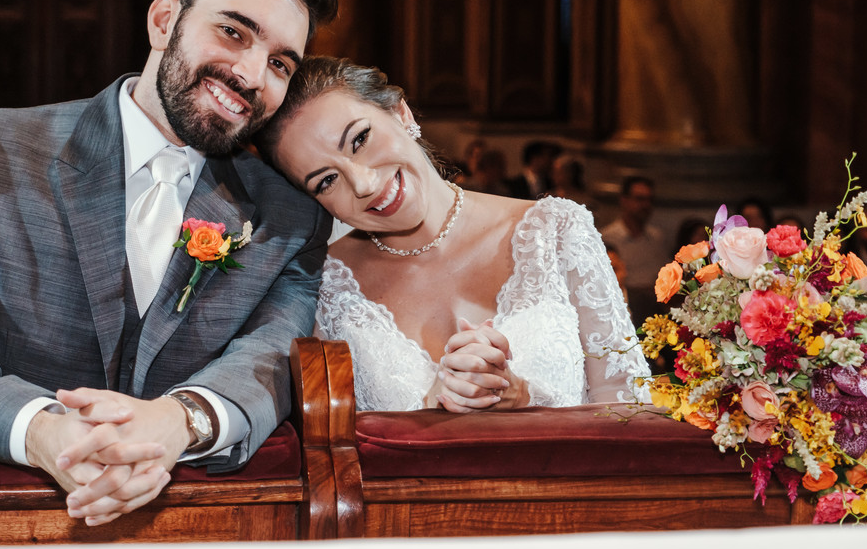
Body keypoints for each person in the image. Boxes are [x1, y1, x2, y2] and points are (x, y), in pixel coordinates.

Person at [0, 0, 338, 526]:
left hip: (199, 526)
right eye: (233, 32)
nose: (252, 74)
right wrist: (46, 433)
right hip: (1, 517)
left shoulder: (292, 215)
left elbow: (271, 360)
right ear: (163, 21)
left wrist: (177, 422)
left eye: (280, 63)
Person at [254, 57, 647, 413]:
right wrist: (432, 408)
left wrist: (525, 398)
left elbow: (631, 412)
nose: (364, 184)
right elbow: (330, 445)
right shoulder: (322, 288)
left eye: (360, 139)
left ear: (401, 113)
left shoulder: (557, 230)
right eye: (326, 181)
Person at [599, 176, 669, 325]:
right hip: (621, 307)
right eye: (639, 199)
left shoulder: (657, 238)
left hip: (655, 309)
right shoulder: (607, 237)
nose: (645, 205)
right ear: (624, 200)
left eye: (649, 200)